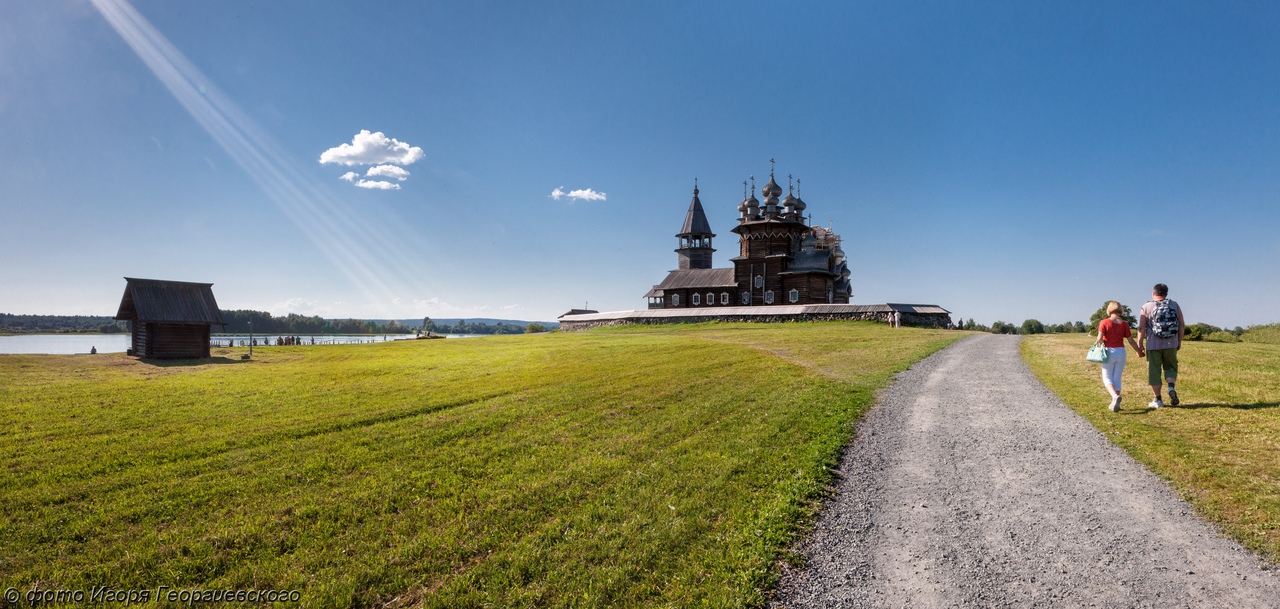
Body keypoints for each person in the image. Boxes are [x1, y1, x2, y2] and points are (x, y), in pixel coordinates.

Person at [1138, 283, 1185, 408]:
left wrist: (1139, 343)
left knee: (1154, 371)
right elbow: (1181, 325)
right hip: (1171, 343)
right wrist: (1179, 341)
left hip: (1153, 345)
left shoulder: (1146, 306)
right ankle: (1170, 387)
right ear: (1166, 294)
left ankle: (1158, 400)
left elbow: (1141, 327)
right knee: (1170, 367)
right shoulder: (1174, 305)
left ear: (1153, 293)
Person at [1097, 301, 1143, 412]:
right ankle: (1115, 404)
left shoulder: (1104, 322)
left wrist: (1099, 346)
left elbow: (1099, 339)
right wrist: (1139, 352)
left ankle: (1115, 397)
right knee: (1117, 377)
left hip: (1109, 351)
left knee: (1107, 377)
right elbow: (1131, 341)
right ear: (1120, 310)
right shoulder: (1124, 324)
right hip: (1121, 352)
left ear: (1109, 310)